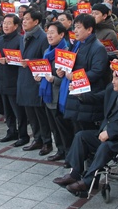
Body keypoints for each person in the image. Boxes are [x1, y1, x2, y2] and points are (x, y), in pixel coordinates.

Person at [53, 74, 118, 194]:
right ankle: (74, 174)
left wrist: (110, 132)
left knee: (105, 147)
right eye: (113, 77)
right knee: (81, 136)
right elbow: (97, 97)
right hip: (103, 132)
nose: (113, 81)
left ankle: (87, 182)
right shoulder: (112, 90)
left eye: (116, 78)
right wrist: (81, 95)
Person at [59, 13, 109, 132]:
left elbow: (97, 72)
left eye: (79, 27)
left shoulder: (98, 48)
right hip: (75, 93)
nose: (75, 30)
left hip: (88, 96)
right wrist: (63, 70)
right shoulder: (77, 44)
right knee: (76, 129)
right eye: (75, 27)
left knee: (86, 131)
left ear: (89, 30)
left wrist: (74, 76)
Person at [37, 21, 73, 162]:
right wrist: (39, 76)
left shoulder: (66, 52)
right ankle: (60, 150)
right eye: (48, 32)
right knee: (54, 127)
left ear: (62, 34)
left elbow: (67, 77)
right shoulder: (47, 51)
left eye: (52, 32)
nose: (49, 35)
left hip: (60, 96)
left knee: (64, 128)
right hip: (48, 95)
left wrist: (54, 80)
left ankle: (69, 154)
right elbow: (44, 69)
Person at [18, 10, 51, 155]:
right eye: (23, 19)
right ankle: (37, 139)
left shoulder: (42, 38)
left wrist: (30, 63)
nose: (23, 21)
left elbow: (47, 61)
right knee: (30, 113)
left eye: (27, 19)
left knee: (40, 114)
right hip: (25, 79)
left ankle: (47, 142)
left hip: (37, 81)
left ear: (36, 22)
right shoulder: (24, 36)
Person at [0, 14, 27, 144]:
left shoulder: (20, 40)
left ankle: (23, 135)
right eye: (4, 23)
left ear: (16, 26)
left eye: (9, 23)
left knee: (19, 112)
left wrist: (10, 60)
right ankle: (11, 131)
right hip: (2, 80)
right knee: (7, 111)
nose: (6, 26)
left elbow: (22, 60)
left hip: (14, 81)